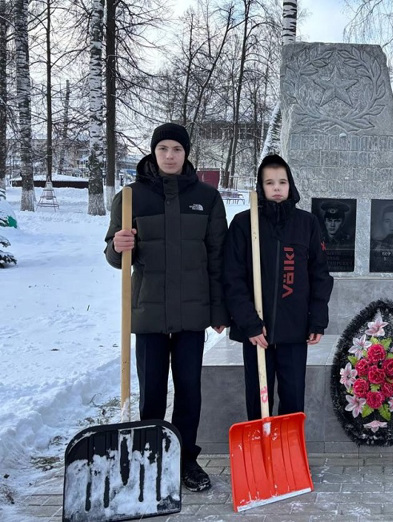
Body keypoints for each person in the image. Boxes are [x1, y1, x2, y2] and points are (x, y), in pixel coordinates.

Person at [104, 122, 228, 492]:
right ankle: (151, 458)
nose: (170, 156)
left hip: (192, 315)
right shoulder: (129, 197)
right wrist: (119, 246)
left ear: (186, 153)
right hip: (149, 313)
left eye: (177, 149)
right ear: (153, 152)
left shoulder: (207, 198)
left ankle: (186, 459)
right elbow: (114, 255)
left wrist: (219, 312)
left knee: (189, 389)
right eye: (164, 149)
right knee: (154, 391)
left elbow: (217, 257)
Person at [223, 154, 334, 421]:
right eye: (269, 182)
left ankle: (288, 451)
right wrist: (248, 322)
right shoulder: (243, 223)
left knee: (293, 394)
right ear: (260, 186)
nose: (276, 187)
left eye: (282, 182)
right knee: (258, 394)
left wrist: (317, 320)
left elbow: (319, 274)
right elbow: (232, 276)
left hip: (294, 329)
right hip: (256, 331)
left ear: (290, 185)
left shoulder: (306, 223)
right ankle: (260, 448)